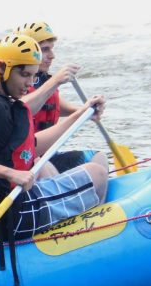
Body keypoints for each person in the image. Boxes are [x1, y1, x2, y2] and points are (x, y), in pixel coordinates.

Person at [0, 33, 109, 245]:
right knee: (97, 172)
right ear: (2, 68)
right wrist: (10, 173)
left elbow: (34, 144)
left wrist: (80, 115)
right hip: (7, 215)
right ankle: (87, 245)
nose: (30, 83)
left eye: (33, 75)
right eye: (24, 75)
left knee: (62, 172)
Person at [15, 22, 97, 175]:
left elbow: (52, 104)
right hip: (24, 157)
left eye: (51, 49)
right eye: (45, 50)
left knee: (97, 159)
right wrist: (55, 81)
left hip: (46, 152)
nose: (52, 56)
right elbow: (17, 108)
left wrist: (84, 111)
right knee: (47, 170)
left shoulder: (42, 80)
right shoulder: (14, 82)